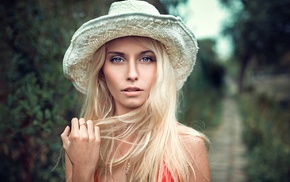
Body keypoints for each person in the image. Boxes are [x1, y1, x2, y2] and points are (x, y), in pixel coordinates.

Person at [60, 0, 210, 181]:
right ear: (101, 72)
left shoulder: (188, 145)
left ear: (161, 69)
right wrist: (83, 171)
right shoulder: (82, 143)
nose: (132, 74)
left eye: (146, 59)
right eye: (117, 59)